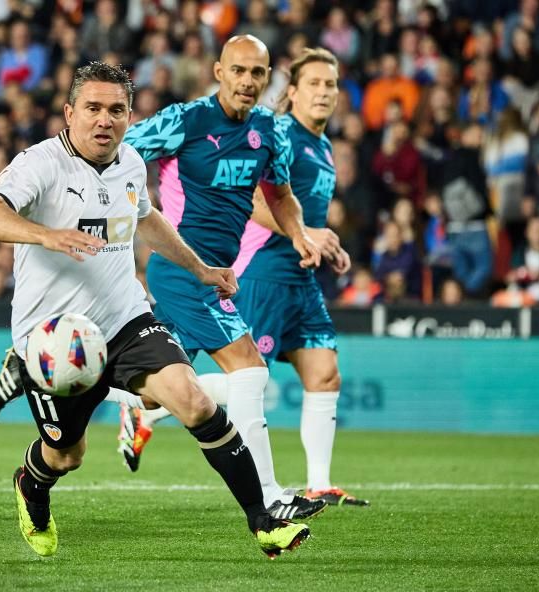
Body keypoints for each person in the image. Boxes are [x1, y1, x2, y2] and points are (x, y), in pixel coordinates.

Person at [0, 61, 311, 558]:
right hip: (55, 338)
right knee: (66, 456)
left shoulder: (128, 162)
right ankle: (31, 485)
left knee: (192, 399)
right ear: (70, 113)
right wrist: (46, 234)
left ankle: (263, 521)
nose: (105, 120)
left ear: (129, 117)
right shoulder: (40, 164)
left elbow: (146, 219)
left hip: (125, 320)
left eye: (116, 110)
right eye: (93, 109)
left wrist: (202, 268)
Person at [119, 48, 368, 507]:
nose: (247, 80)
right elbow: (121, 149)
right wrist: (117, 212)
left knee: (165, 387)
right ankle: (270, 497)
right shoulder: (187, 120)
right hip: (190, 269)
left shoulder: (270, 131)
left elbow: (280, 193)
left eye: (257, 72)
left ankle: (102, 391)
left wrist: (300, 235)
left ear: (268, 77)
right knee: (250, 371)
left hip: (218, 274)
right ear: (219, 73)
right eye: (238, 70)